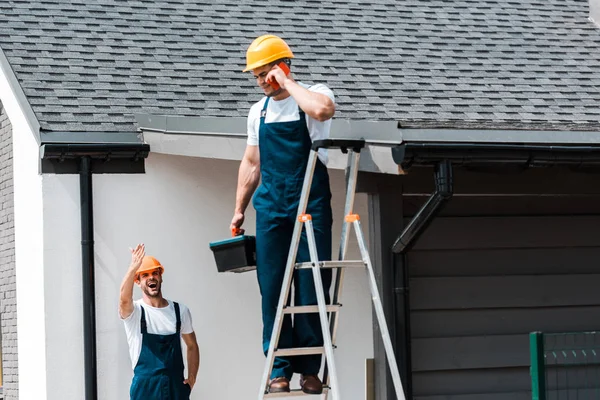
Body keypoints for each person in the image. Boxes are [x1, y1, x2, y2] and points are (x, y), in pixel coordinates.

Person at [230, 34, 336, 394]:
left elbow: (322, 111)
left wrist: (287, 82)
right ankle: (279, 367)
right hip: (272, 208)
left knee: (311, 286)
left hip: (310, 205)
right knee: (272, 287)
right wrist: (239, 209)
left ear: (282, 66)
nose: (261, 81)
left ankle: (310, 370)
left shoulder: (314, 93)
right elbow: (251, 162)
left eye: (265, 73)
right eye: (257, 76)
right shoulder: (257, 111)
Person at [119, 243, 199, 400]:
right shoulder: (135, 312)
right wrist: (133, 268)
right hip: (145, 389)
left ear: (160, 277)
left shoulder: (179, 311)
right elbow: (123, 300)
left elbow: (192, 345)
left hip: (175, 387)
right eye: (145, 275)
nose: (151, 278)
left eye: (155, 273)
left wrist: (192, 378)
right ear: (138, 281)